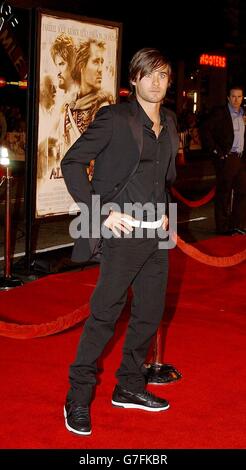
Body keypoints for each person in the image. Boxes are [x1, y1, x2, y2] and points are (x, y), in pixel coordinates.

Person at [61, 47, 179, 435]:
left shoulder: (171, 122)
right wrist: (101, 211)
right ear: (134, 79)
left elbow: (162, 179)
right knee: (105, 316)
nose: (157, 82)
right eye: (149, 74)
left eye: (163, 75)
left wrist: (165, 214)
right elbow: (72, 163)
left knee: (148, 314)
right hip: (122, 233)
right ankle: (77, 396)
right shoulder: (114, 118)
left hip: (157, 234)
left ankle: (129, 385)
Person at [201, 85, 246, 235]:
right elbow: (205, 129)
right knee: (224, 194)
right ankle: (222, 228)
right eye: (233, 96)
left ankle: (236, 224)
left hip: (241, 159)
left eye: (239, 96)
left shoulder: (243, 114)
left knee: (242, 192)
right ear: (228, 97)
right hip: (227, 158)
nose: (236, 100)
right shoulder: (220, 113)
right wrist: (217, 151)